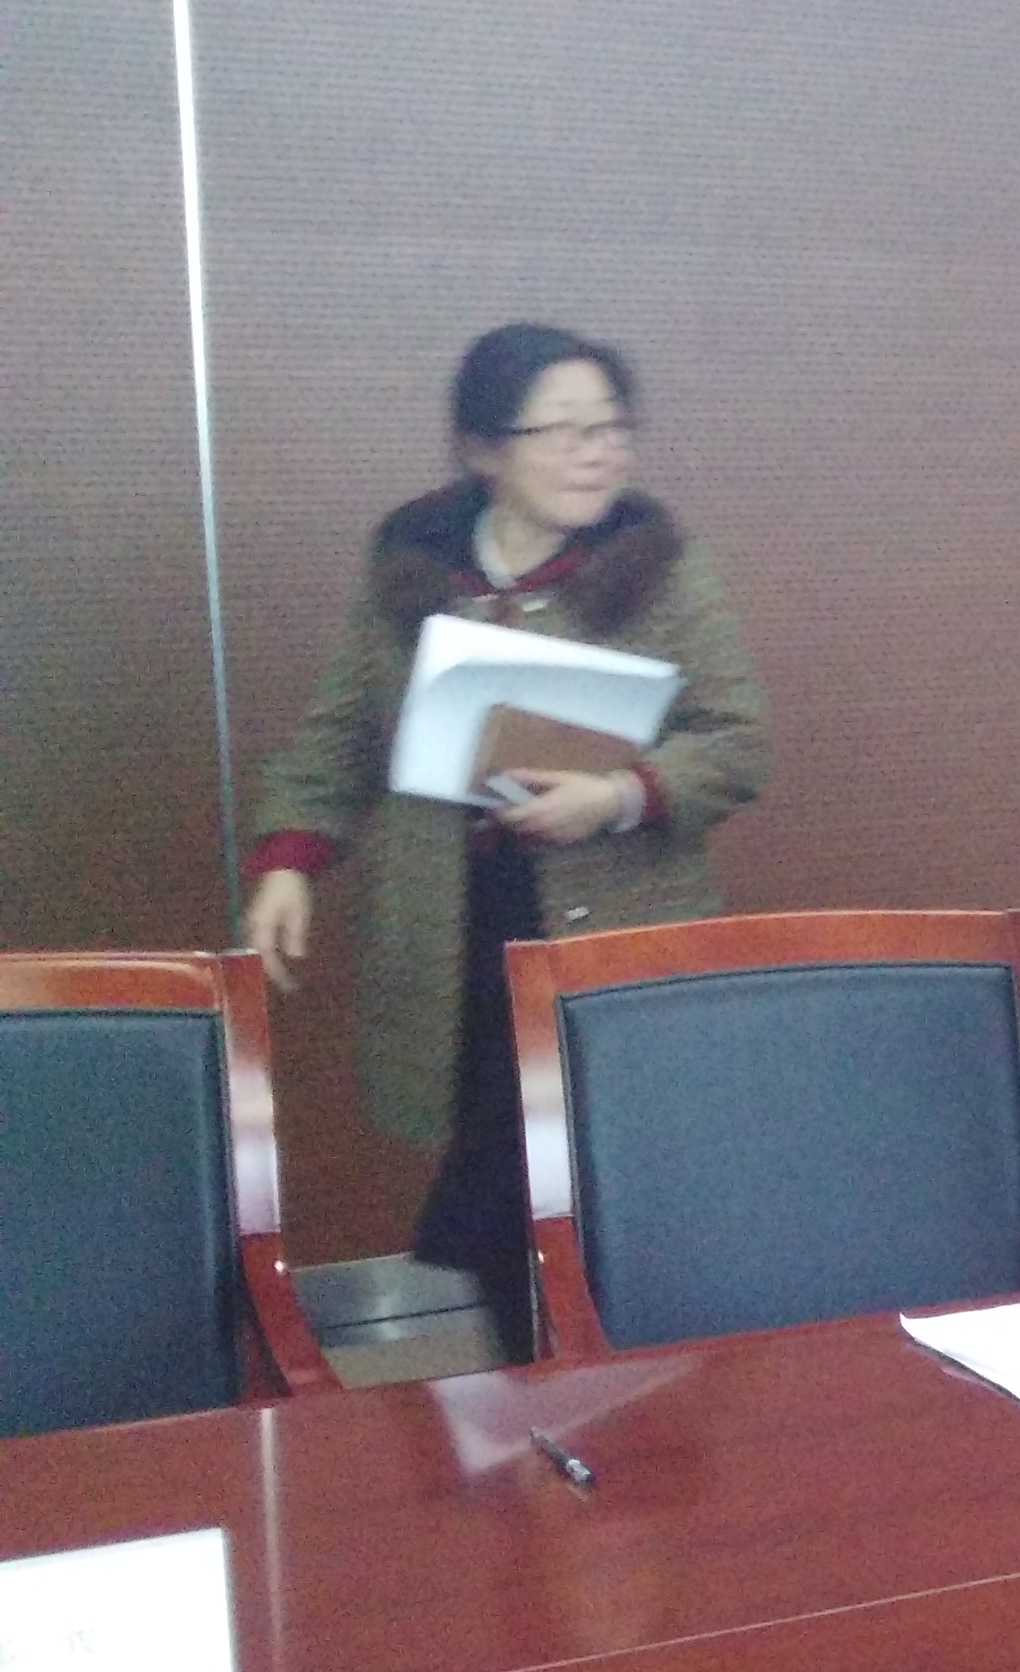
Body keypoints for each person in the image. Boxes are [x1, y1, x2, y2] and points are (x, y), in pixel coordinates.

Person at [240, 324, 771, 1359]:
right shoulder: (412, 569)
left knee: (614, 1176)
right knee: (503, 1175)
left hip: (614, 926)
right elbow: (344, 731)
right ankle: (535, 1385)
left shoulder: (658, 568)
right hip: (459, 933)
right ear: (483, 448)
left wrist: (618, 794)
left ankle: (627, 1387)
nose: (597, 451)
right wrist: (290, 860)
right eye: (563, 430)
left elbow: (736, 739)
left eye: (611, 428)